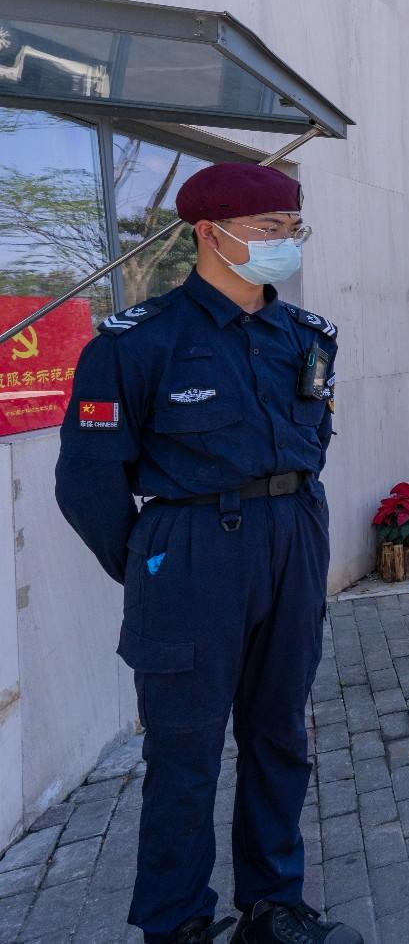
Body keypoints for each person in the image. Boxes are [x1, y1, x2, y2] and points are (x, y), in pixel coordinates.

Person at [54, 164, 358, 944]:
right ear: (208, 234)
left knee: (279, 733)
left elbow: (313, 437)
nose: (284, 245)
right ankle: (177, 922)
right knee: (186, 754)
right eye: (267, 231)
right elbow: (88, 479)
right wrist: (154, 565)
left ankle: (273, 905)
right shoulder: (138, 342)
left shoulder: (308, 335)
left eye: (292, 230)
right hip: (190, 550)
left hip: (292, 533)